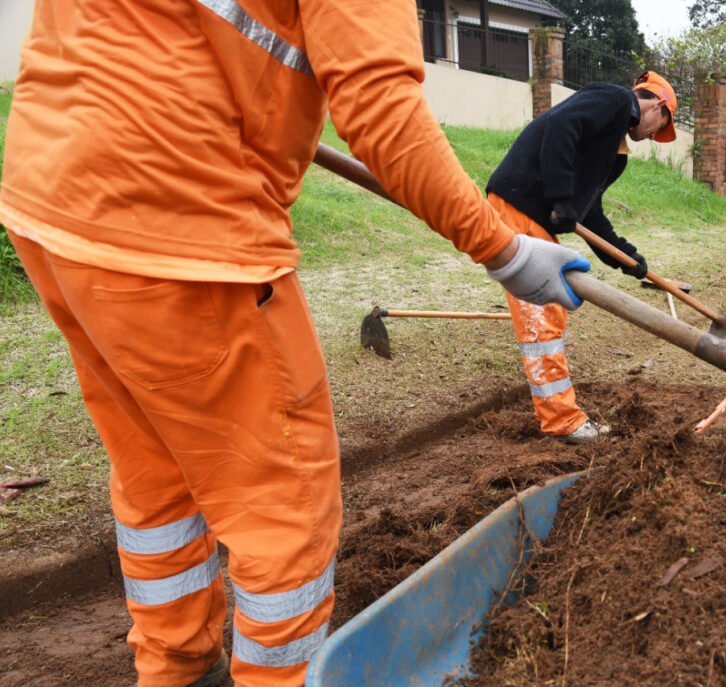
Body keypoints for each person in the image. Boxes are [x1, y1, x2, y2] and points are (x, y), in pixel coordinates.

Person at [0, 2, 590, 686]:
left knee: (158, 472)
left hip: (49, 200)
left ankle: (177, 669)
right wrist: (505, 249)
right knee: (286, 508)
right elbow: (385, 119)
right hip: (176, 226)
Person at [485, 71, 678, 444]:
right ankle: (562, 421)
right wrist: (559, 199)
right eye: (661, 127)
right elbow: (560, 124)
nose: (655, 137)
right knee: (542, 320)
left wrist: (626, 258)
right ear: (656, 105)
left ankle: (560, 416)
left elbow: (589, 213)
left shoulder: (614, 154)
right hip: (518, 205)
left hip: (530, 214)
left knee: (548, 314)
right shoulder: (615, 100)